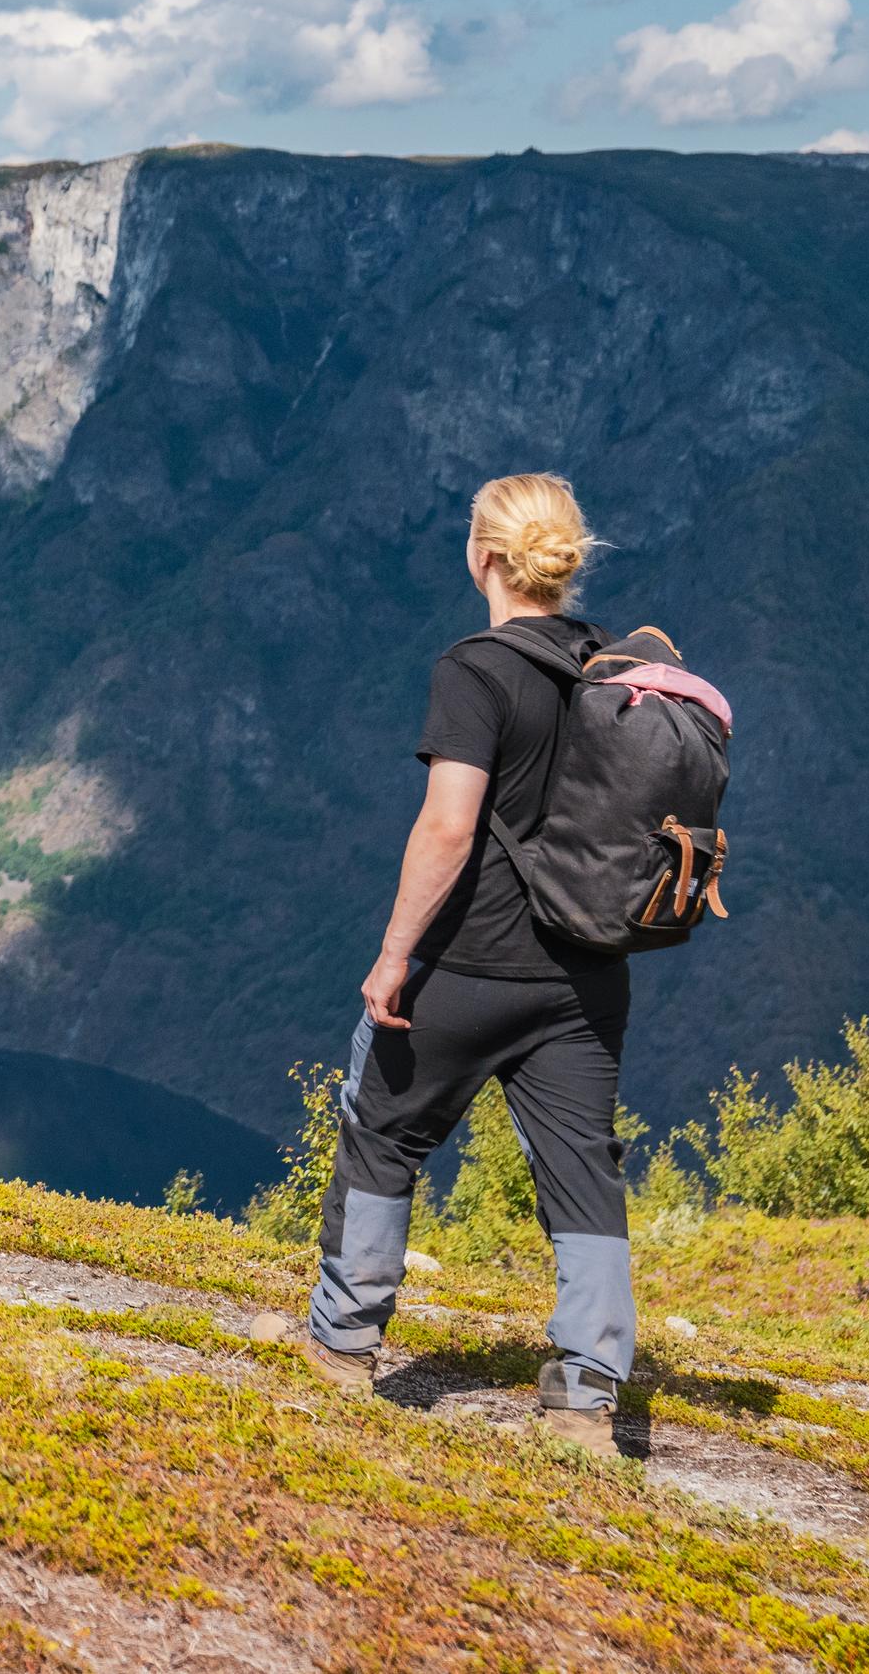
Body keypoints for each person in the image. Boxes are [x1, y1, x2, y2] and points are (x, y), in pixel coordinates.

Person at [301, 472, 636, 1453]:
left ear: (483, 556)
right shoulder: (611, 672)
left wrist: (394, 954)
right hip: (584, 978)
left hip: (467, 963)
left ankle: (343, 1346)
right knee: (583, 1171)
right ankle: (585, 1395)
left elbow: (449, 828)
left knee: (382, 1135)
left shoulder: (476, 669)